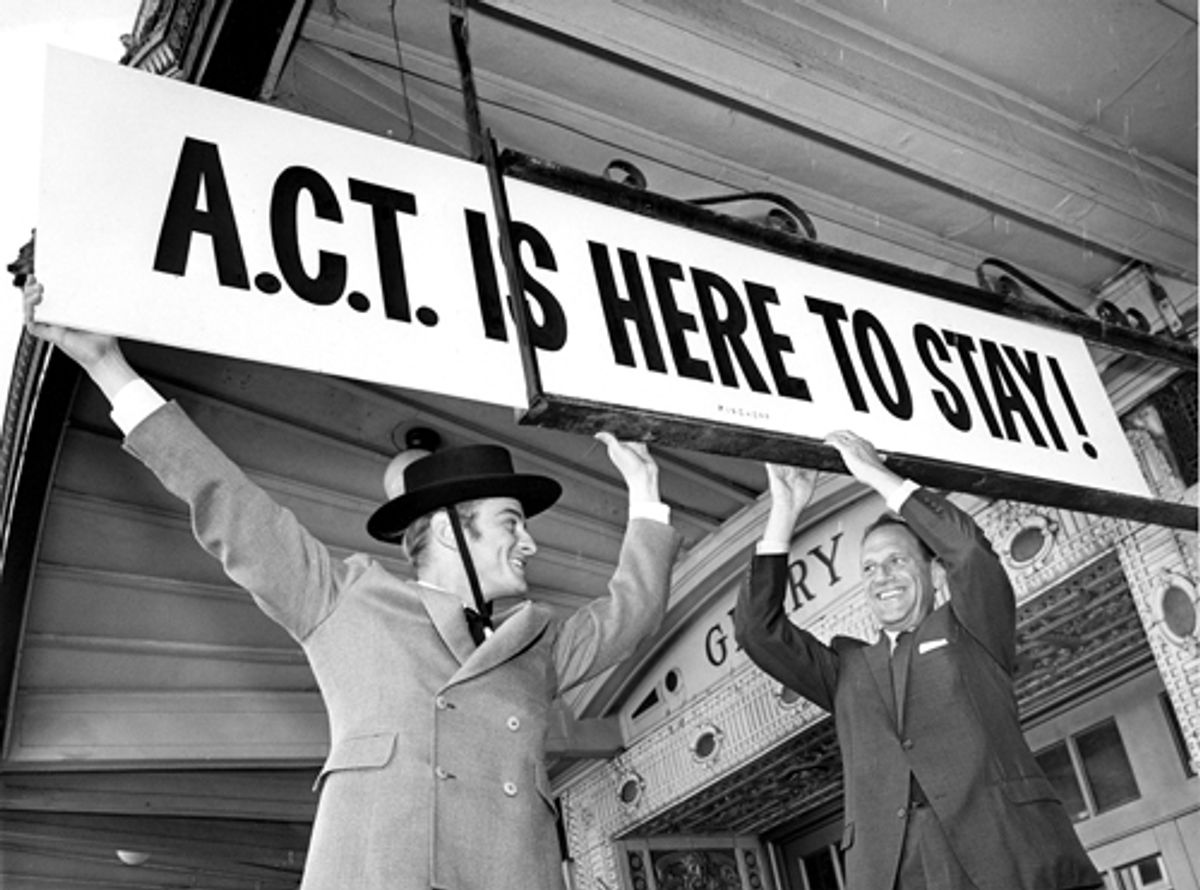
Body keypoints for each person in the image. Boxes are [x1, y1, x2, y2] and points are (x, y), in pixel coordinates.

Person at [20, 275, 682, 890]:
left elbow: (633, 611)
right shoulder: (343, 601)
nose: (530, 543)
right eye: (510, 522)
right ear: (450, 530)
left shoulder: (537, 648)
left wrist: (645, 489)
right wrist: (107, 366)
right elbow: (229, 504)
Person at [734, 430, 1101, 890]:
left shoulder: (973, 629)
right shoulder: (846, 669)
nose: (881, 576)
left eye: (897, 561)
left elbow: (968, 551)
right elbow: (756, 630)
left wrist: (876, 475)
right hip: (894, 872)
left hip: (1007, 856)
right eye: (869, 568)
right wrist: (785, 510)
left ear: (934, 572)